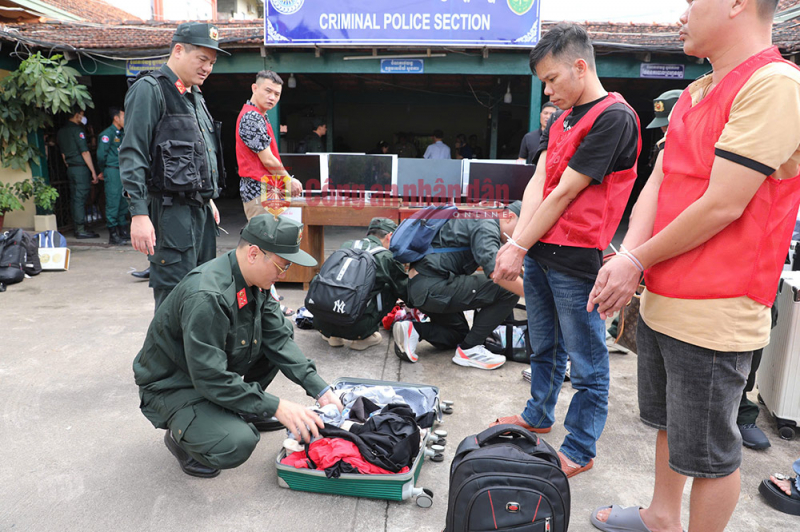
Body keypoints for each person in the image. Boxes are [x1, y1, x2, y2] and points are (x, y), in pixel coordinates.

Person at [587, 0, 800, 529]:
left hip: (718, 306)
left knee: (708, 451)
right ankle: (662, 515)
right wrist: (628, 257)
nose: (681, 15)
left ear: (736, 4)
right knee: (667, 423)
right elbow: (658, 184)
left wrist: (636, 258)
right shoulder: (696, 91)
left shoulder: (774, 84)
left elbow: (725, 202)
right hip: (665, 294)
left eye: (689, 1)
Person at [491, 23, 641, 479]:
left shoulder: (615, 117)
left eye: (553, 80)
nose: (549, 90)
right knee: (545, 346)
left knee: (588, 361)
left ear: (580, 66)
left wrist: (517, 245)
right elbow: (540, 182)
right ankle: (538, 414)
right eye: (543, 83)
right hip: (541, 254)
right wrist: (523, 243)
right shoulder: (563, 119)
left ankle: (580, 446)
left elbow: (565, 194)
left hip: (577, 258)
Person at [133, 214, 342, 478]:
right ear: (254, 253)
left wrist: (321, 390)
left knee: (278, 334)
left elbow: (278, 338)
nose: (283, 274)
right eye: (282, 266)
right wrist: (276, 406)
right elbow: (209, 376)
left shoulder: (255, 281)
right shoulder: (207, 296)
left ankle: (241, 409)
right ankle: (180, 437)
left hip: (205, 372)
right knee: (236, 443)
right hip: (174, 385)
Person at [120, 22, 227, 310]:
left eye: (212, 63)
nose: (207, 68)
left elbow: (197, 153)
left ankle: (190, 355)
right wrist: (139, 215)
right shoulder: (150, 90)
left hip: (200, 212)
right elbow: (133, 154)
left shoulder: (195, 96)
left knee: (201, 295)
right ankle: (161, 356)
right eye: (202, 59)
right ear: (178, 50)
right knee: (174, 300)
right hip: (170, 216)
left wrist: (208, 196)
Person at [392, 202, 524, 370]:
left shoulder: (479, 219)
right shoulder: (486, 223)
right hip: (432, 287)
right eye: (521, 230)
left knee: (459, 334)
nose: (520, 238)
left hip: (422, 289)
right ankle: (470, 351)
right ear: (510, 217)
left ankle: (414, 330)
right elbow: (496, 273)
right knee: (507, 288)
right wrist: (533, 293)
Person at [315, 217, 408, 350]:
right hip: (355, 328)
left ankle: (333, 336)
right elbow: (405, 289)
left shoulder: (346, 245)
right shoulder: (386, 257)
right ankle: (363, 337)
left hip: (322, 321)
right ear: (390, 236)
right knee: (389, 286)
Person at [235, 70, 302, 221]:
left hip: (268, 189)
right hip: (259, 191)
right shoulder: (251, 117)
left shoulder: (260, 116)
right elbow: (268, 160)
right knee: (264, 241)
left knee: (274, 241)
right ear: (254, 88)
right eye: (268, 91)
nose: (272, 97)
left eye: (277, 94)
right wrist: (288, 181)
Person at [57, 108, 99, 239]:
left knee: (75, 197)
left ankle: (78, 226)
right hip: (80, 168)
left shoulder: (61, 132)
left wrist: (69, 166)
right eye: (82, 115)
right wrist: (93, 172)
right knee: (80, 198)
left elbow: (63, 154)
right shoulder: (77, 130)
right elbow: (85, 152)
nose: (83, 117)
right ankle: (80, 228)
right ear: (76, 115)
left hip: (71, 168)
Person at [97, 107, 128, 246]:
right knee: (113, 200)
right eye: (123, 116)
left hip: (122, 170)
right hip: (112, 170)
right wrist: (103, 170)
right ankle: (113, 234)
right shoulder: (107, 134)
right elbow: (101, 156)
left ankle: (123, 230)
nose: (125, 119)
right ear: (116, 118)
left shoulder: (122, 134)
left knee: (123, 200)